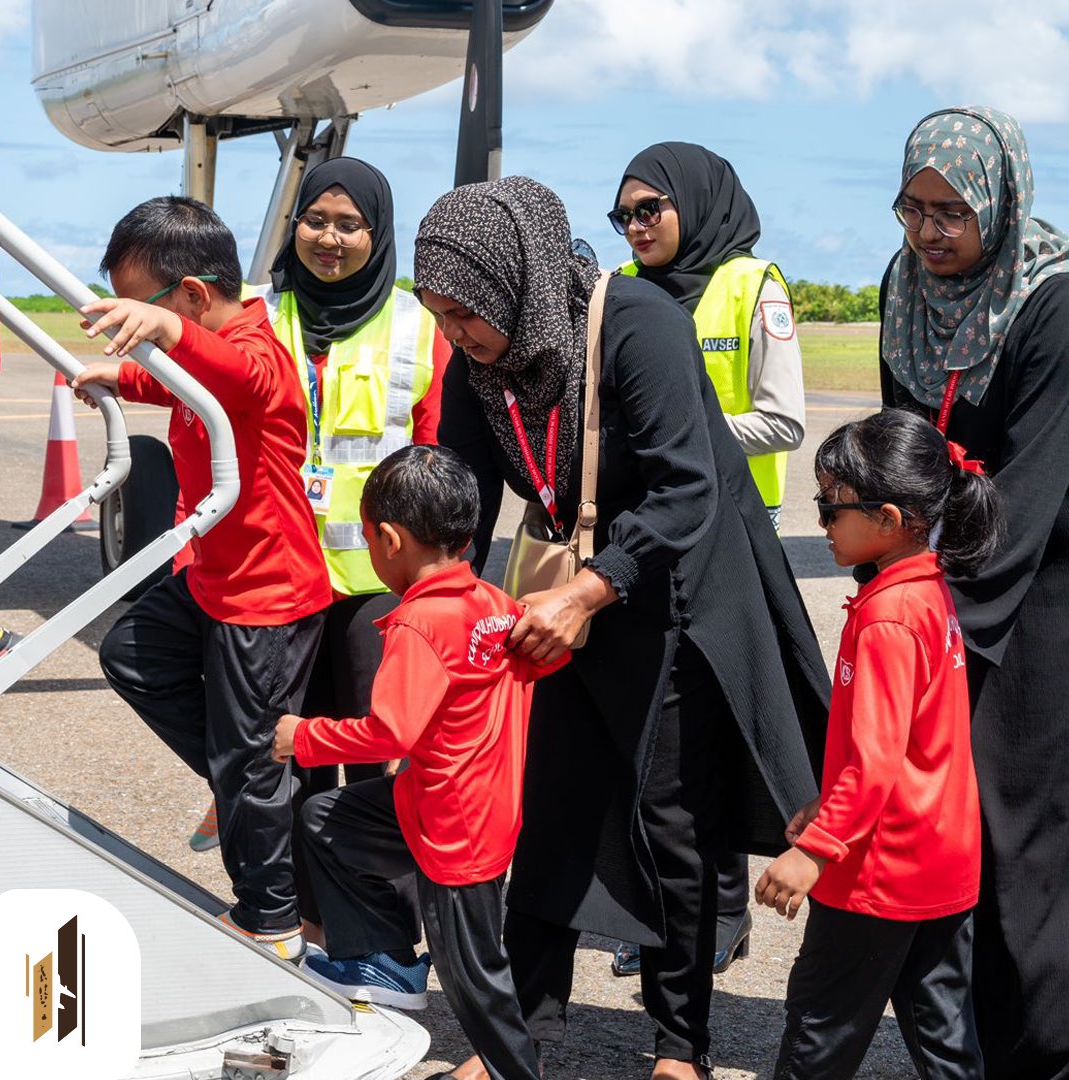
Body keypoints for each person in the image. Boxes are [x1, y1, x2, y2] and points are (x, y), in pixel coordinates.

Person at [418, 175, 830, 1080]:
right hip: (574, 588)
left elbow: (689, 488)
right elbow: (461, 496)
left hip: (678, 584)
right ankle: (511, 1038)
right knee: (551, 809)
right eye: (439, 315)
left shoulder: (637, 321)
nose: (456, 334)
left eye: (465, 313)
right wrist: (436, 599)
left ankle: (681, 1045)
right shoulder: (480, 364)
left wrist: (586, 594)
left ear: (512, 280)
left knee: (672, 823)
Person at [72, 195, 330, 960]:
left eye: (138, 311)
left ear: (190, 297)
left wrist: (169, 332)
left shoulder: (259, 350)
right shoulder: (200, 347)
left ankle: (270, 920)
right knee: (130, 656)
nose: (138, 327)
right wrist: (121, 374)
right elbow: (182, 381)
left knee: (250, 763)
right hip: (215, 577)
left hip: (267, 592)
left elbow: (242, 380)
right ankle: (241, 780)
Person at [188, 159, 448, 884]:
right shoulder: (257, 316)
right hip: (277, 577)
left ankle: (373, 930)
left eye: (348, 224)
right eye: (315, 220)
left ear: (378, 232)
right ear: (292, 224)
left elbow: (437, 455)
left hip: (375, 586)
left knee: (369, 758)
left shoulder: (418, 326)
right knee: (286, 754)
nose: (328, 238)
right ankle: (299, 912)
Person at [879, 106, 1069, 1080]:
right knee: (949, 836)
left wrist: (942, 622)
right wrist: (892, 591)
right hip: (932, 597)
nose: (930, 233)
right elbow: (893, 458)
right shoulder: (902, 289)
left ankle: (1039, 1052)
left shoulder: (1051, 302)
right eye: (913, 209)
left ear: (997, 200)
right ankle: (970, 1050)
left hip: (1031, 607)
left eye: (952, 212)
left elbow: (1032, 488)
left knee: (1019, 836)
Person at [274, 444, 563, 1080]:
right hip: (451, 803)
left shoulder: (418, 625)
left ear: (387, 539)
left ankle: (519, 1072)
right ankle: (381, 960)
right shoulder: (491, 603)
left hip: (454, 835)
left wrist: (304, 736)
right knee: (326, 818)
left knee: (477, 987)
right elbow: (548, 660)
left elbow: (391, 733)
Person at [608, 141, 807, 979]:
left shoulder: (753, 287)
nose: (635, 228)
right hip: (655, 540)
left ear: (697, 202)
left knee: (723, 734)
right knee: (655, 740)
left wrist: (690, 439)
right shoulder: (624, 297)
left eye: (650, 209)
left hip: (735, 539)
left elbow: (787, 417)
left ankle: (721, 917)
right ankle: (659, 911)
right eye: (622, 216)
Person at [756, 408, 999, 1079]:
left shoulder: (889, 615)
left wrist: (814, 851)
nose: (822, 522)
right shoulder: (927, 590)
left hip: (877, 874)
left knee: (819, 1031)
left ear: (891, 519)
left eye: (832, 508)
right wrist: (824, 807)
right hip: (942, 862)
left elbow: (876, 764)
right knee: (943, 1035)